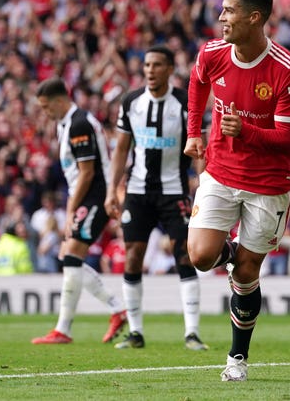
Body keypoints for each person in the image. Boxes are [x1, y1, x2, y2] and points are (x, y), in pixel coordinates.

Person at [183, 0, 290, 381]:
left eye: (229, 11)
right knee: (200, 256)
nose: (221, 17)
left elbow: (288, 139)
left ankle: (237, 359)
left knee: (246, 273)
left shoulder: (287, 70)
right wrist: (194, 134)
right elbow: (197, 81)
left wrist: (246, 131)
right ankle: (230, 251)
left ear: (255, 18)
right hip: (220, 170)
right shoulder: (213, 52)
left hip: (269, 183)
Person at [104, 45, 208, 351]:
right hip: (137, 191)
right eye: (147, 64)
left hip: (174, 189)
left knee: (185, 256)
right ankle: (135, 332)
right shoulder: (131, 101)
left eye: (157, 65)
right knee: (133, 254)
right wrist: (112, 189)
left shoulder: (184, 102)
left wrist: (202, 184)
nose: (150, 70)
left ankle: (192, 332)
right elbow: (122, 148)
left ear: (169, 70)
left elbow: (198, 146)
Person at [31, 77, 127, 345]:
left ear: (60, 101)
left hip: (94, 196)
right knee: (70, 257)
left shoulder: (79, 124)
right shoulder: (66, 124)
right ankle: (112, 311)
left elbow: (87, 173)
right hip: (88, 196)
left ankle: (80, 323)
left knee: (70, 255)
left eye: (46, 107)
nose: (45, 112)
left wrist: (71, 207)